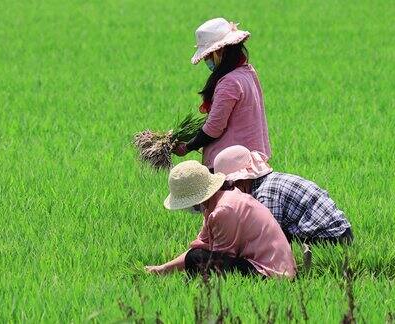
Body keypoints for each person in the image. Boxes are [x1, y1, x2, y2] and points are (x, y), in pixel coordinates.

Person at [144, 160, 296, 278]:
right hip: (263, 265)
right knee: (195, 256)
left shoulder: (223, 210)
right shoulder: (216, 201)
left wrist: (199, 247)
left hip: (270, 272)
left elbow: (221, 255)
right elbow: (203, 246)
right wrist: (162, 269)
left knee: (196, 258)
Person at [173, 18, 271, 171]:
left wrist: (186, 147)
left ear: (219, 51)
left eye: (208, 56)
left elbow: (213, 128)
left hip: (231, 165)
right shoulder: (247, 72)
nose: (206, 60)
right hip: (251, 160)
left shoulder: (229, 82)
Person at [214, 145, 353, 245]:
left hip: (330, 237)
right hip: (338, 231)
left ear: (242, 181)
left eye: (229, 186)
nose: (229, 191)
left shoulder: (265, 194)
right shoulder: (267, 182)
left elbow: (269, 235)